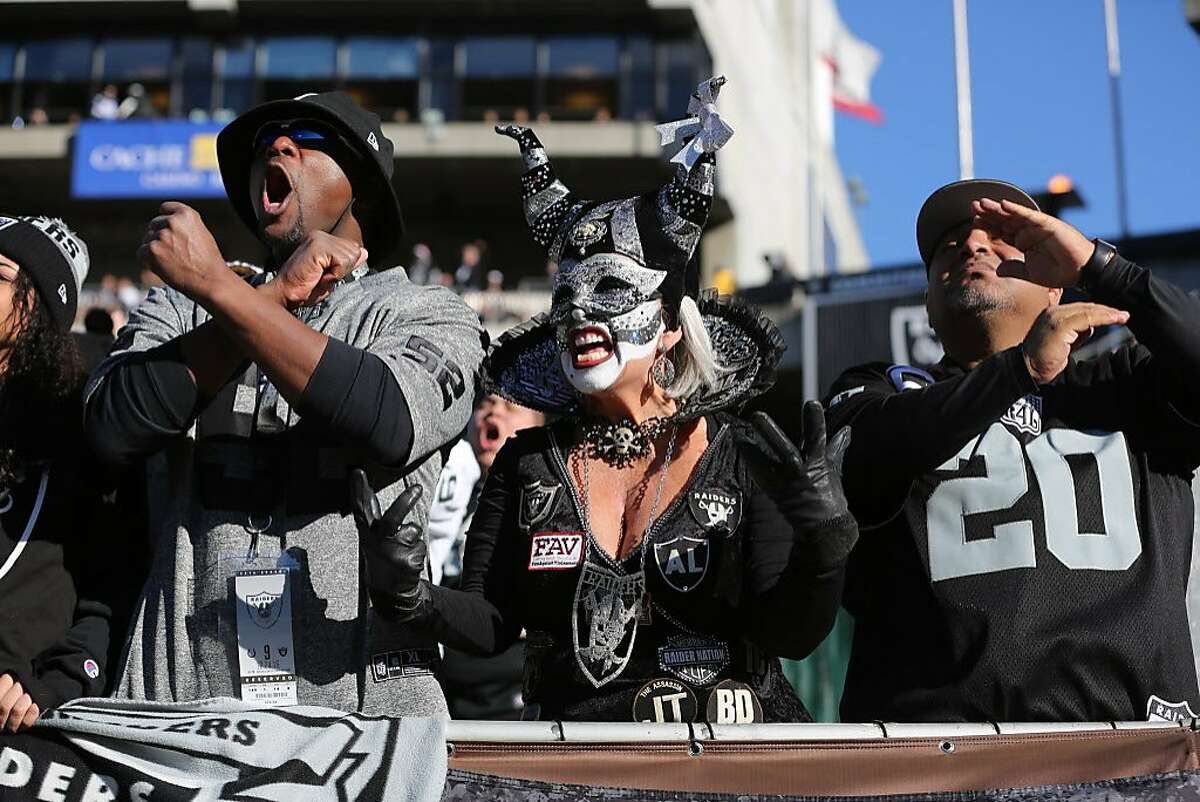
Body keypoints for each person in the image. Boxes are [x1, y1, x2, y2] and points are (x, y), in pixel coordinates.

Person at [350, 78, 858, 722]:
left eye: (612, 289)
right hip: (577, 765)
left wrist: (825, 548)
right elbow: (493, 621)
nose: (580, 310)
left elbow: (791, 633)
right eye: (566, 296)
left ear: (671, 326)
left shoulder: (741, 454)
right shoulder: (526, 461)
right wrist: (409, 595)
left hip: (730, 767)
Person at [84, 91, 484, 715]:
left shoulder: (426, 311)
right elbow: (114, 425)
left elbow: (389, 419)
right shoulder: (182, 306)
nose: (278, 145)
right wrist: (263, 297)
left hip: (360, 722)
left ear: (365, 187)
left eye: (308, 136)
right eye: (267, 140)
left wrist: (225, 288)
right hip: (181, 712)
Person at [824, 178, 1200, 723]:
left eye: (1001, 239)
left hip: (1130, 753)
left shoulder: (1127, 384)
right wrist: (1019, 369)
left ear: (1055, 288)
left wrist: (1100, 266)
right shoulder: (884, 389)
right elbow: (857, 456)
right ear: (929, 305)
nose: (973, 246)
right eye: (949, 246)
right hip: (938, 762)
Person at [0, 216, 117, 731]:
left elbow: (106, 586)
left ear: (37, 309)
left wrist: (54, 684)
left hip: (24, 727)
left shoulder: (80, 430)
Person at [431, 394, 544, 720]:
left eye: (510, 404)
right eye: (484, 404)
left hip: (511, 684)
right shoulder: (447, 490)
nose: (493, 411)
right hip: (447, 682)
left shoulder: (547, 500)